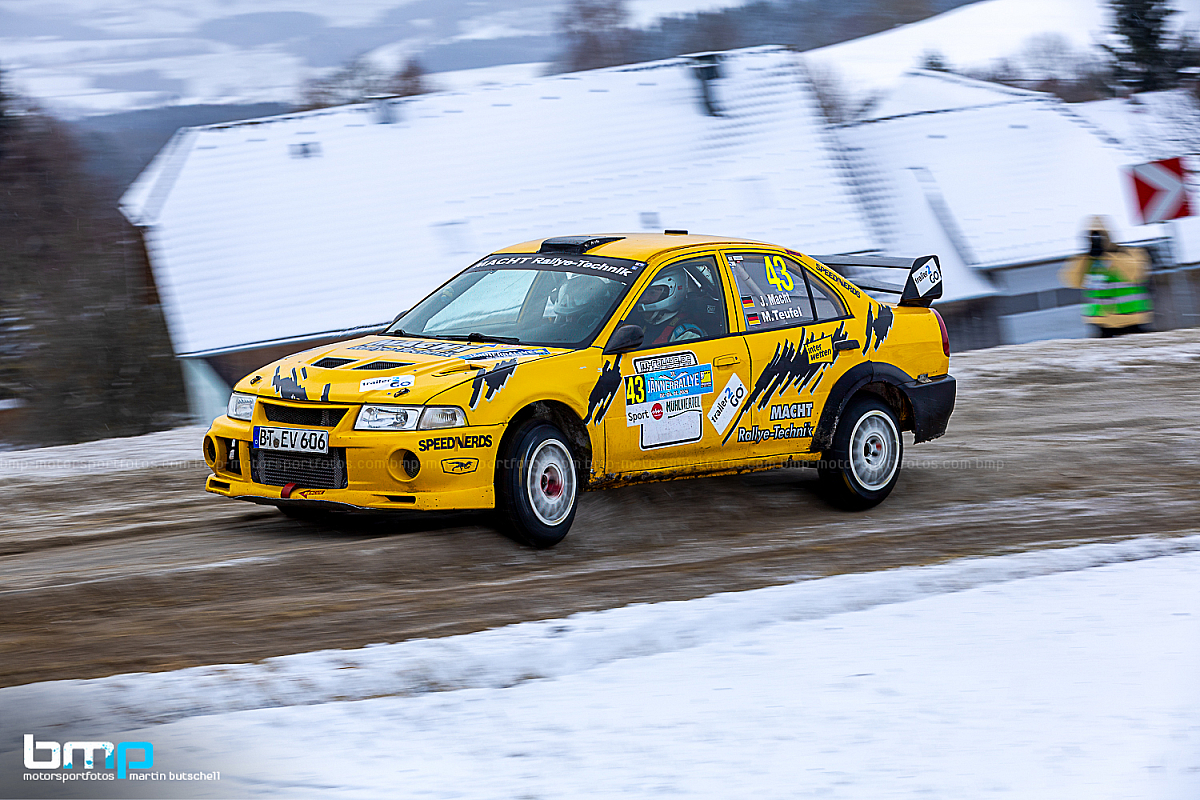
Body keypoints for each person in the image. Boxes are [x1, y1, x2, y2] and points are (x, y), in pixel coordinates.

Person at [1059, 216, 1153, 337]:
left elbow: (1135, 273)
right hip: (1102, 324)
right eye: (1092, 238)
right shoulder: (1085, 261)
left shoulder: (1128, 253)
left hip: (1132, 320)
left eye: (1099, 237)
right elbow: (1072, 281)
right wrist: (1087, 258)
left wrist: (1109, 254)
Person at [634, 264, 706, 345]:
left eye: (652, 292)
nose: (643, 299)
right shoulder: (636, 321)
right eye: (642, 293)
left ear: (673, 291)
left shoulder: (687, 336)